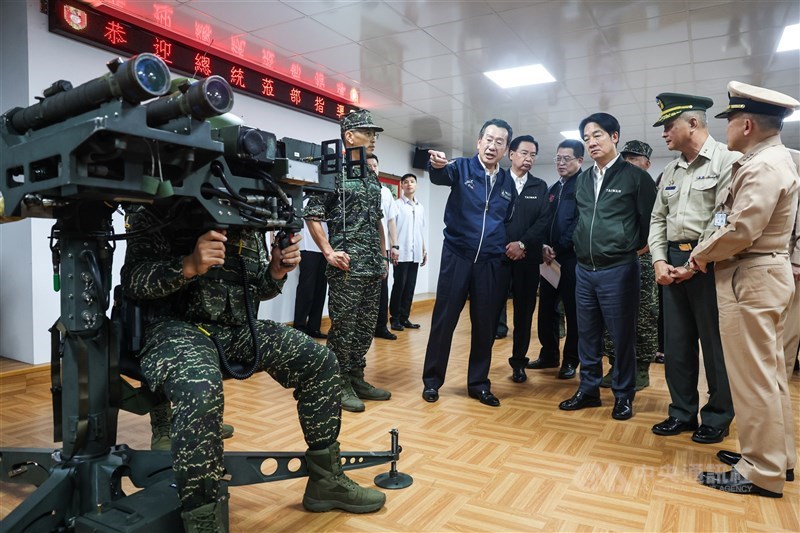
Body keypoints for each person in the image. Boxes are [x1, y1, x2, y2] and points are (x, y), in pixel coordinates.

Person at [121, 213, 386, 531]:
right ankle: (202, 520)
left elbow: (255, 288)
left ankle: (326, 481)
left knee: (321, 362)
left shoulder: (246, 212)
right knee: (200, 392)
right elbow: (134, 280)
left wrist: (276, 270)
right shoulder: (159, 207)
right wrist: (188, 265)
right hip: (175, 328)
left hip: (234, 330)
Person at [691, 81, 799, 498]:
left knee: (752, 379)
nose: (728, 129)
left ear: (748, 124)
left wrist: (700, 256)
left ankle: (761, 471)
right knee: (768, 376)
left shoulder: (764, 165)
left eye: (731, 121)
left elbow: (741, 229)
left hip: (750, 276)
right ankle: (776, 459)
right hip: (760, 275)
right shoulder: (768, 159)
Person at [648, 93, 737, 445]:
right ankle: (682, 412)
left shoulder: (726, 162)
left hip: (709, 265)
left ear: (693, 124)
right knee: (678, 344)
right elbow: (658, 219)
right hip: (671, 263)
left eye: (669, 126)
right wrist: (658, 259)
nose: (665, 133)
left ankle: (717, 416)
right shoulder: (670, 169)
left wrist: (695, 262)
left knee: (714, 347)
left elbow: (724, 218)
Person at [558, 112, 657, 421]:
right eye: (586, 138)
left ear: (614, 136)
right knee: (587, 335)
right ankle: (587, 390)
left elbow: (651, 223)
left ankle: (623, 395)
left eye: (597, 135)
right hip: (584, 270)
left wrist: (627, 246)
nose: (591, 142)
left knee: (621, 335)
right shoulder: (584, 179)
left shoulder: (635, 177)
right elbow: (580, 220)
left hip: (619, 269)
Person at [422, 118, 515, 407]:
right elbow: (439, 175)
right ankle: (432, 381)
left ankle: (478, 384)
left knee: (485, 325)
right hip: (457, 256)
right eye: (488, 139)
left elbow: (507, 218)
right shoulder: (461, 167)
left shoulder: (506, 180)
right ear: (478, 141)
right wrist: (435, 165)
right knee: (444, 320)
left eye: (500, 141)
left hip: (489, 262)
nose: (492, 145)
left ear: (506, 149)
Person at [304, 109, 391, 413]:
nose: (373, 139)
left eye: (375, 133)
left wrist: (382, 256)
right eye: (368, 133)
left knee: (366, 328)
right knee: (343, 327)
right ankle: (337, 383)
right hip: (346, 266)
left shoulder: (370, 176)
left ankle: (356, 377)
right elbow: (312, 214)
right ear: (349, 136)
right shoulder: (332, 170)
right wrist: (328, 251)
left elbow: (377, 220)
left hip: (371, 266)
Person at [600, 140, 659, 391]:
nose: (629, 164)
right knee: (613, 315)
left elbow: (658, 227)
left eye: (635, 159)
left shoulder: (652, 191)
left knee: (644, 315)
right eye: (625, 159)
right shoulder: (613, 190)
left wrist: (643, 248)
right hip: (615, 261)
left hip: (644, 260)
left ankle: (642, 369)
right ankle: (616, 365)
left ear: (646, 164)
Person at [500, 135, 550, 383]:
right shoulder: (497, 180)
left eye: (533, 155)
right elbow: (490, 217)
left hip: (528, 259)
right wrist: (506, 245)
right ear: (511, 154)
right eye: (524, 153)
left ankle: (518, 363)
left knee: (523, 314)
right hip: (497, 260)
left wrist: (521, 244)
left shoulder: (540, 186)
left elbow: (543, 221)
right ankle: (480, 364)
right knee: (488, 313)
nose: (528, 158)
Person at [533, 140, 583, 379]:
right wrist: (543, 245)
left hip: (571, 259)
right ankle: (549, 354)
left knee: (573, 312)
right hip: (548, 259)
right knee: (546, 309)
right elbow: (544, 219)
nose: (561, 163)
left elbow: (579, 222)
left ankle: (571, 360)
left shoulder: (584, 185)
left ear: (580, 161)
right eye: (558, 159)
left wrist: (559, 246)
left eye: (566, 159)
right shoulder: (553, 188)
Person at [390, 173, 427, 331]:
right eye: (406, 182)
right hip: (401, 252)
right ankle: (395, 318)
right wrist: (394, 247)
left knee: (410, 286)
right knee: (399, 285)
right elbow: (391, 230)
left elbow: (421, 230)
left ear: (416, 185)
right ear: (402, 185)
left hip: (416, 252)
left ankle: (405, 318)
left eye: (412, 182)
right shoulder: (397, 205)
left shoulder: (420, 207)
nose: (409, 184)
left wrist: (424, 249)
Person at [368, 153, 400, 340]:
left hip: (382, 249)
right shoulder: (357, 189)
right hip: (362, 246)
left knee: (382, 288)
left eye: (375, 165)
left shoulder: (386, 192)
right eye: (369, 165)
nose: (372, 168)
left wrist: (394, 246)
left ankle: (380, 326)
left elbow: (391, 222)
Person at [293, 209, 329, 339]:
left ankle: (314, 327)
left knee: (321, 288)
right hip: (307, 246)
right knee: (306, 288)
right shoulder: (304, 194)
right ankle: (299, 327)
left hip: (325, 247)